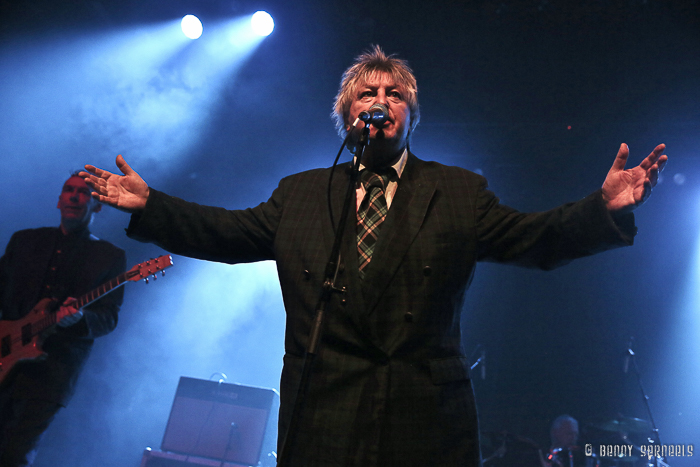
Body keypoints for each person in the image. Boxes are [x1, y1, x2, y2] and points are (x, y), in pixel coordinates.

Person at [80, 46, 667, 467]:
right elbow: (225, 232)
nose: (381, 101)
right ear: (346, 114)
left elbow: (534, 240)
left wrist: (603, 209)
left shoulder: (458, 191)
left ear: (410, 116)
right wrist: (151, 205)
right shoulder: (303, 193)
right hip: (324, 417)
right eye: (368, 93)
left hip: (424, 420)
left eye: (395, 94)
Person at [0, 173, 126, 466]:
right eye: (68, 190)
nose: (73, 196)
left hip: (51, 371)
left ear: (97, 205)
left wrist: (81, 319)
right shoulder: (25, 241)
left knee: (14, 455)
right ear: (58, 200)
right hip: (5, 352)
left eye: (83, 193)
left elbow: (108, 318)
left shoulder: (109, 257)